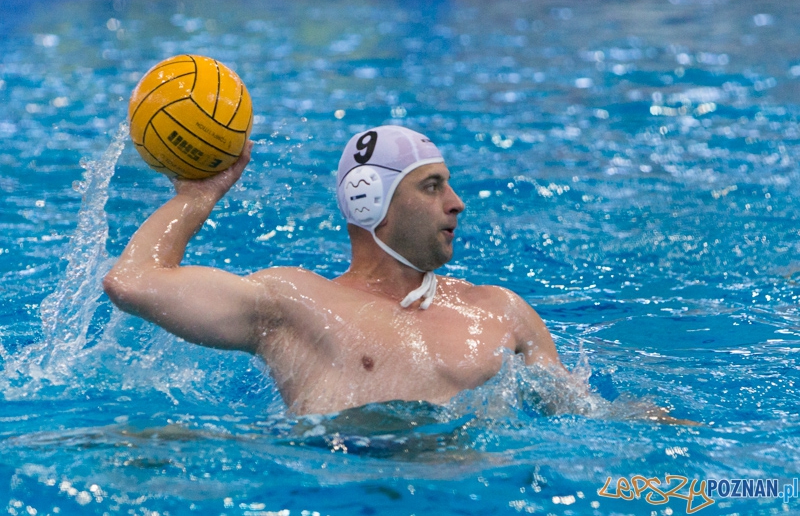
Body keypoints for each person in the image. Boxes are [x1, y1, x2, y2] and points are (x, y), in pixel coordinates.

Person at [103, 125, 562, 415]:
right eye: (431, 186)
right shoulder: (293, 304)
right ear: (370, 201)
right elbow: (132, 282)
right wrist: (195, 198)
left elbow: (577, 414)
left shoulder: (502, 310)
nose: (456, 202)